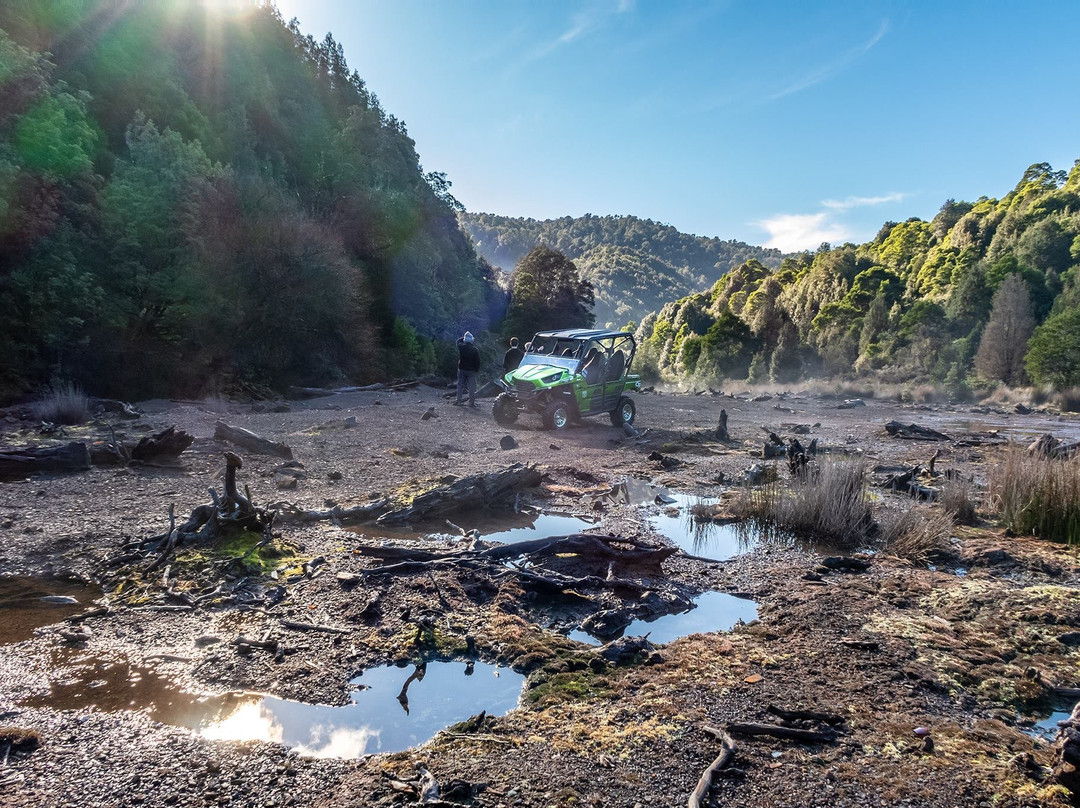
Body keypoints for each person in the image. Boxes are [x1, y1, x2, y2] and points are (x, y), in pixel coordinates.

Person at [455, 331, 480, 407]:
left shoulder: (461, 347)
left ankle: (458, 401)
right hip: (471, 370)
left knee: (460, 385)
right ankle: (471, 403)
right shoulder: (475, 349)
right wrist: (476, 369)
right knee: (471, 387)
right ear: (472, 340)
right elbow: (477, 361)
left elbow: (457, 342)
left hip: (462, 369)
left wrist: (464, 337)